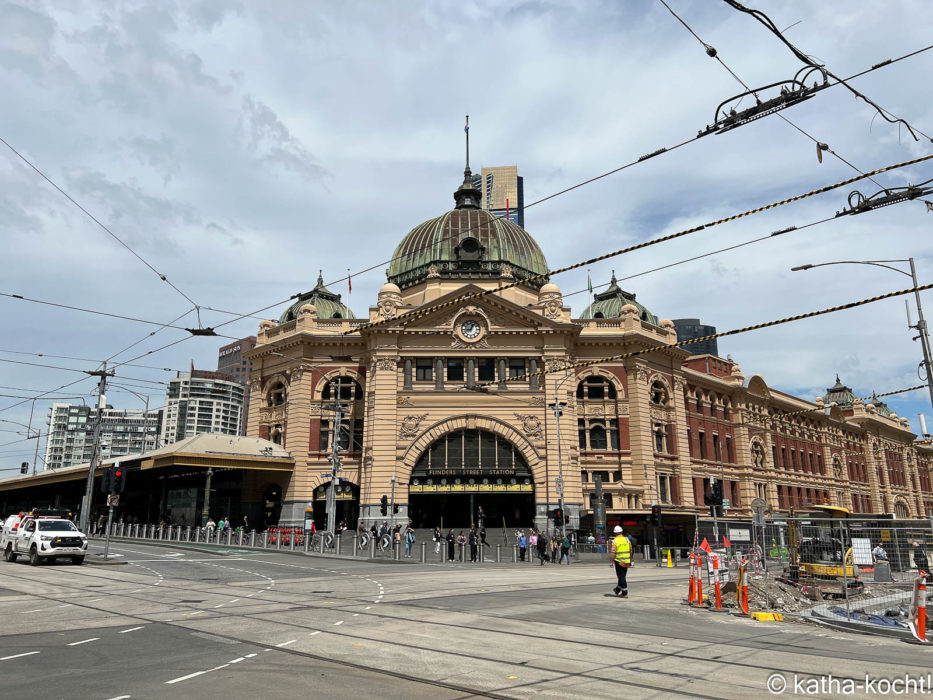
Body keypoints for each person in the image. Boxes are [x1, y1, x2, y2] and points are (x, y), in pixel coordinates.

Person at [610, 525, 631, 597]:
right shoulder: (627, 539)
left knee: (621, 577)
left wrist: (611, 562)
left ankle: (624, 593)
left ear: (615, 533)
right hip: (627, 560)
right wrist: (631, 558)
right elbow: (631, 550)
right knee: (622, 576)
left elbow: (613, 553)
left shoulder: (615, 541)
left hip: (619, 561)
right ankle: (617, 589)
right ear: (621, 532)